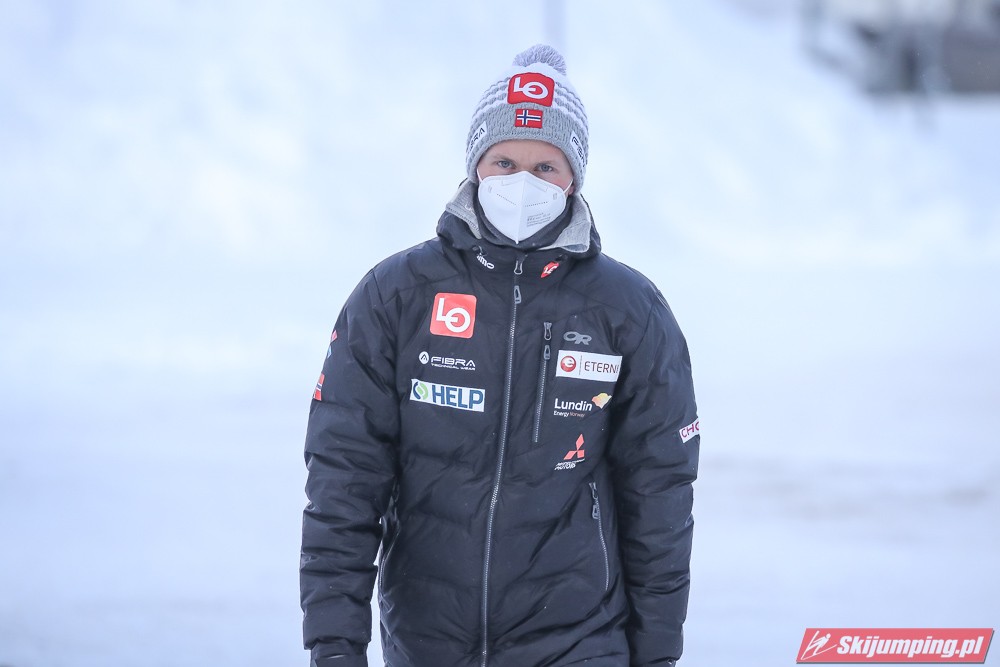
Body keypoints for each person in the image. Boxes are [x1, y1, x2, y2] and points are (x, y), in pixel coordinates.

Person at [300, 44, 700, 667]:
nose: (523, 183)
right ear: (475, 167)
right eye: (505, 161)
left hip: (580, 642)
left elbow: (660, 495)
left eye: (546, 166)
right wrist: (334, 646)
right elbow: (343, 482)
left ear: (574, 178)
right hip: (427, 642)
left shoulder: (628, 310)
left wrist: (657, 655)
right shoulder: (396, 296)